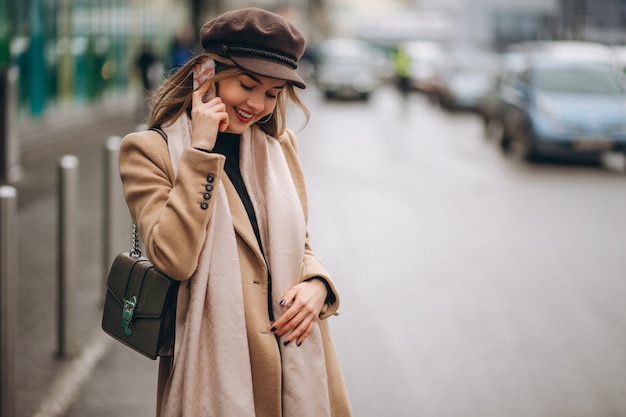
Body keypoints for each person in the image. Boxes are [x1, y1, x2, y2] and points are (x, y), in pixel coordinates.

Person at [118, 8, 353, 417]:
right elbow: (173, 257)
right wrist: (200, 155)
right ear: (205, 74)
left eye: (273, 93)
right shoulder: (149, 152)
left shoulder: (280, 148)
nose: (258, 105)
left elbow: (301, 244)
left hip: (298, 362)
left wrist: (318, 285)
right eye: (248, 85)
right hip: (216, 372)